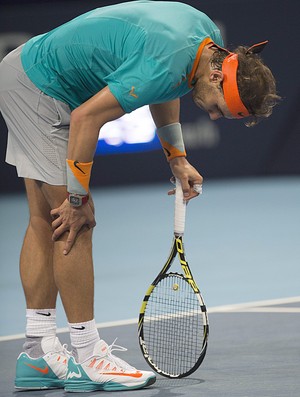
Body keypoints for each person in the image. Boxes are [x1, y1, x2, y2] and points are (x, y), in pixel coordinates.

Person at [0, 0, 279, 393]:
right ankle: (88, 355)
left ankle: (37, 352)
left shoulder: (207, 44)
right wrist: (79, 201)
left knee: (45, 218)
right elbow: (86, 118)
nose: (214, 117)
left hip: (23, 68)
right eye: (220, 109)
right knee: (75, 221)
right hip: (41, 90)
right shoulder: (174, 60)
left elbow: (167, 85)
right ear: (218, 77)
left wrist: (177, 158)